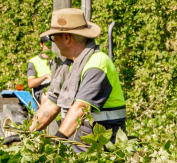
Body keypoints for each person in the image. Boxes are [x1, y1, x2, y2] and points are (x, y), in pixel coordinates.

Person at [28, 8, 127, 143]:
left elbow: (81, 108)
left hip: (104, 153)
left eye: (53, 38)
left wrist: (57, 141)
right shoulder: (69, 65)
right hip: (82, 151)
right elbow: (51, 105)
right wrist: (26, 133)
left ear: (67, 37)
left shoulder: (97, 63)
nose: (53, 43)